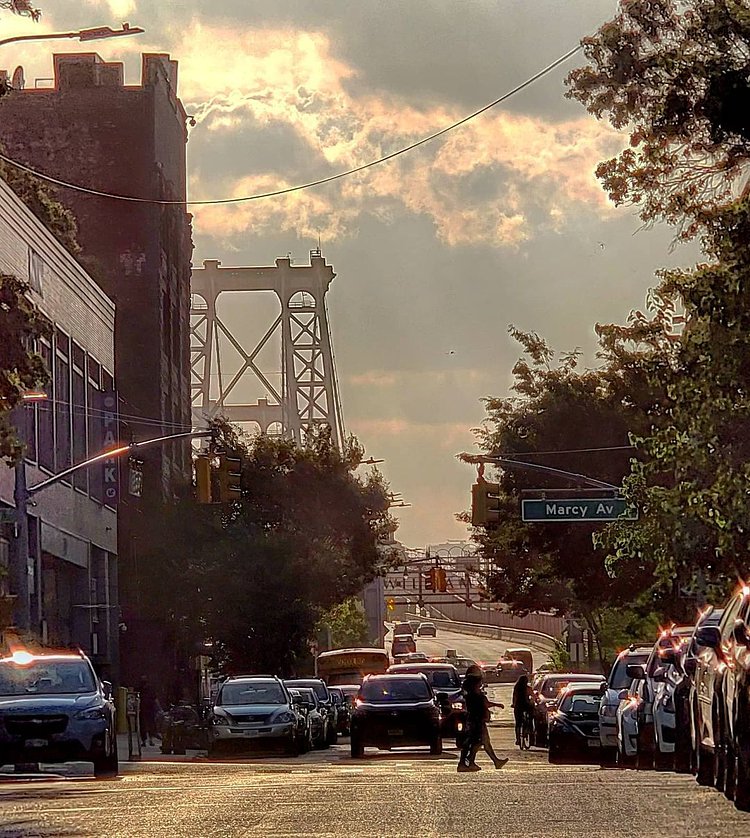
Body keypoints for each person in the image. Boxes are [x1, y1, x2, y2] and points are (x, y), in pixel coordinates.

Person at [457, 665, 508, 772]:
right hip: (476, 721)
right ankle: (466, 762)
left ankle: (493, 761)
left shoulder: (472, 694)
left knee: (482, 742)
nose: (481, 684)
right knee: (475, 742)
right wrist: (497, 705)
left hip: (477, 720)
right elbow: (484, 704)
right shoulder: (474, 695)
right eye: (479, 682)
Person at [512, 674, 534, 746]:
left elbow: (514, 697)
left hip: (518, 706)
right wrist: (534, 701)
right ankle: (529, 729)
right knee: (531, 716)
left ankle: (518, 739)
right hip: (526, 705)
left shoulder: (517, 688)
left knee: (518, 723)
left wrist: (513, 704)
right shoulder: (528, 688)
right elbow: (533, 696)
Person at [138, 676, 158, 747]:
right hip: (149, 708)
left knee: (144, 725)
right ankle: (149, 740)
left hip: (145, 708)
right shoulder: (149, 688)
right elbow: (155, 698)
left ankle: (145, 741)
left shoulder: (140, 688)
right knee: (150, 724)